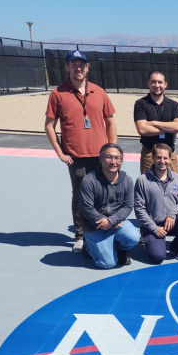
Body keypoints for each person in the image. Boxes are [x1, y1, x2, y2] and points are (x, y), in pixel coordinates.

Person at [45, 49, 117, 254]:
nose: (78, 68)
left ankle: (102, 229)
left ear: (87, 67)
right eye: (74, 64)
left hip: (100, 155)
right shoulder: (57, 94)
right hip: (75, 157)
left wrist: (111, 150)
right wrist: (60, 152)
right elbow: (49, 126)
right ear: (67, 67)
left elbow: (110, 121)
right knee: (80, 196)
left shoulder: (99, 92)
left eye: (82, 64)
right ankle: (80, 235)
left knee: (104, 194)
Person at [79, 143, 140, 269]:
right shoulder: (89, 180)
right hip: (95, 225)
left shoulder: (127, 180)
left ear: (121, 161)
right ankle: (89, 247)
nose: (113, 162)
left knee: (134, 237)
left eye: (117, 158)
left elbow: (128, 206)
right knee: (108, 264)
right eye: (108, 157)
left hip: (116, 222)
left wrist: (112, 221)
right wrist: (105, 222)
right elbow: (86, 208)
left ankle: (119, 247)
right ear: (101, 159)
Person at [133, 143, 178, 264]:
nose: (162, 161)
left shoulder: (177, 179)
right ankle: (149, 242)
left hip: (171, 222)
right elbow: (139, 210)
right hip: (153, 225)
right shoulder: (142, 180)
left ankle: (175, 247)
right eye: (159, 157)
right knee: (158, 258)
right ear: (153, 158)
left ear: (170, 159)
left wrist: (172, 215)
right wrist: (154, 228)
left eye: (165, 158)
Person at [134, 70, 178, 175]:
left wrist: (153, 123)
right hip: (149, 153)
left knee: (174, 184)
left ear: (165, 84)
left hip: (170, 153)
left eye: (160, 82)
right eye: (153, 82)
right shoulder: (140, 104)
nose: (157, 85)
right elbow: (142, 129)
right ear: (148, 83)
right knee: (148, 184)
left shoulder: (174, 105)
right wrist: (169, 127)